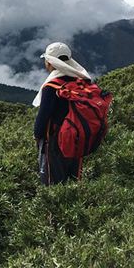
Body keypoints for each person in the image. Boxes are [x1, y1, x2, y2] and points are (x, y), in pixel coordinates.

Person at [33, 42, 91, 185]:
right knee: (73, 180)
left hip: (55, 140)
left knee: (53, 183)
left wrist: (37, 136)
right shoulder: (81, 81)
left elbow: (43, 117)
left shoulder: (52, 86)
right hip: (78, 138)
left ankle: (56, 206)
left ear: (51, 63)